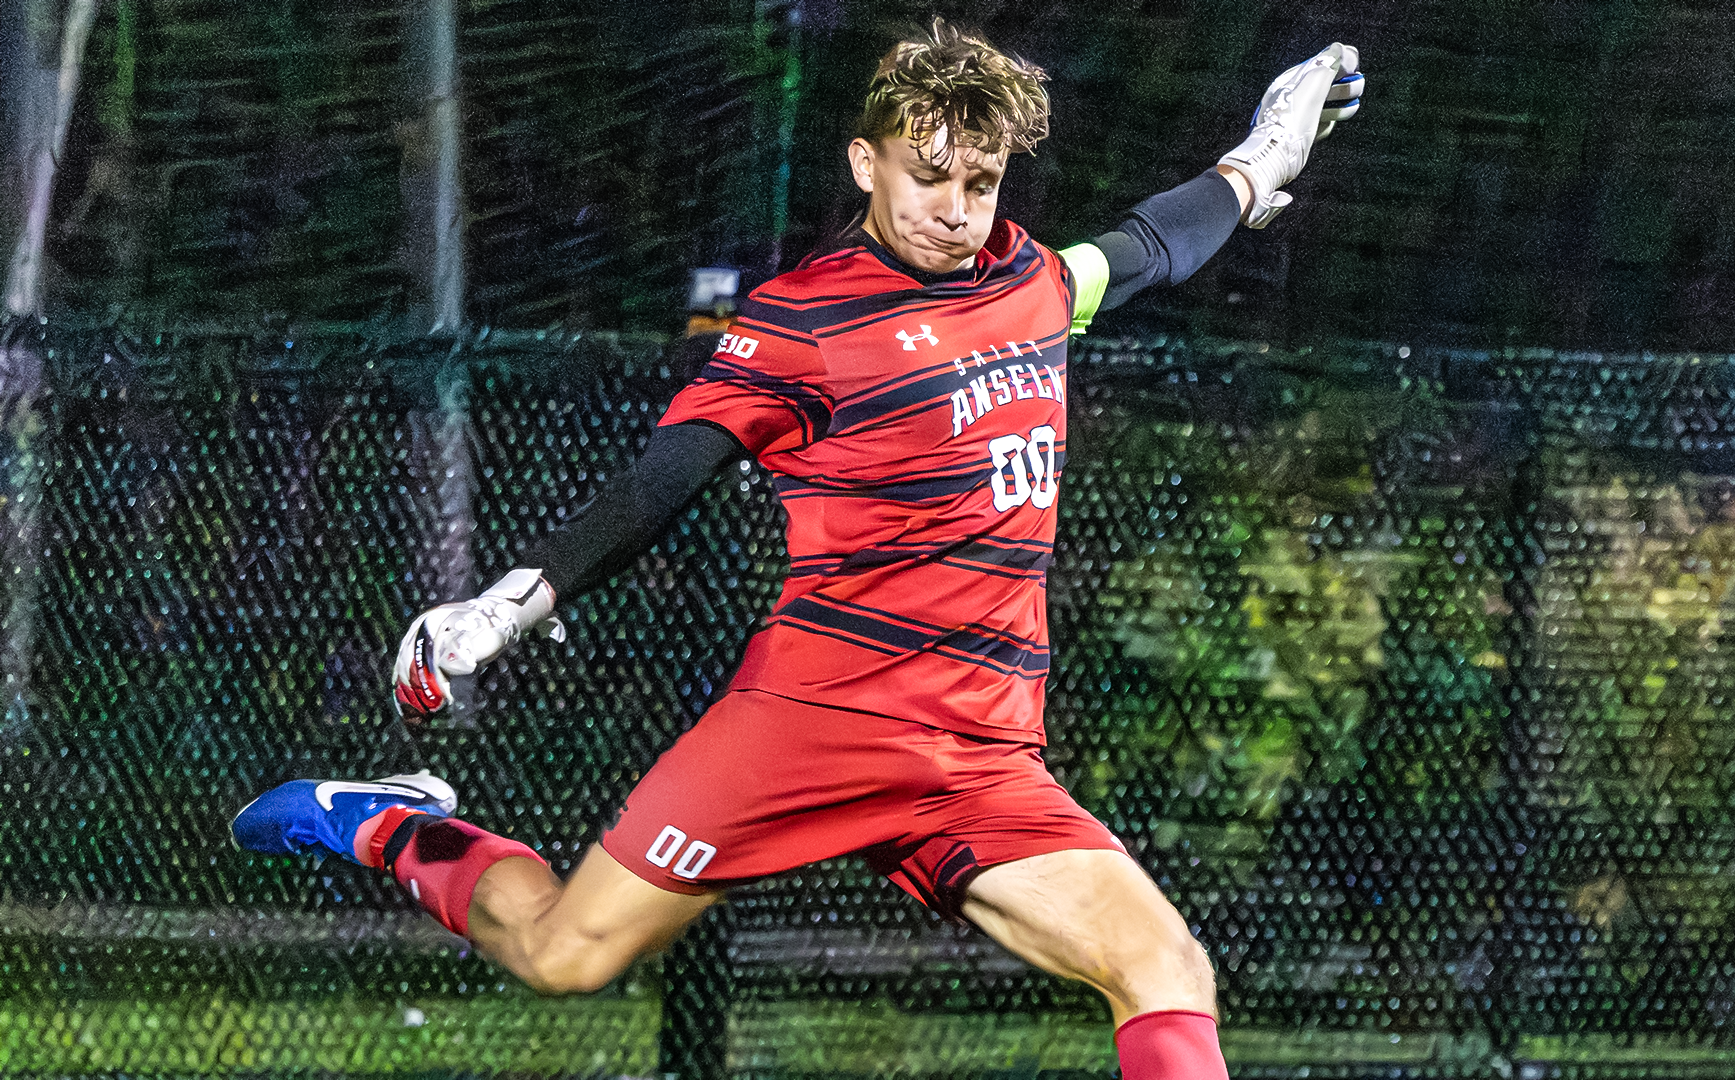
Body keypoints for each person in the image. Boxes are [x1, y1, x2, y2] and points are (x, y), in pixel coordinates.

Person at [233, 22, 1362, 1080]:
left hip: (976, 759)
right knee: (563, 955)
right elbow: (666, 475)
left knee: (1165, 970)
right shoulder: (802, 325)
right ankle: (388, 820)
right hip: (811, 722)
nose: (958, 209)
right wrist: (504, 607)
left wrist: (1263, 161)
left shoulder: (1035, 285)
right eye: (931, 178)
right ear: (866, 164)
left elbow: (1161, 240)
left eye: (981, 182)